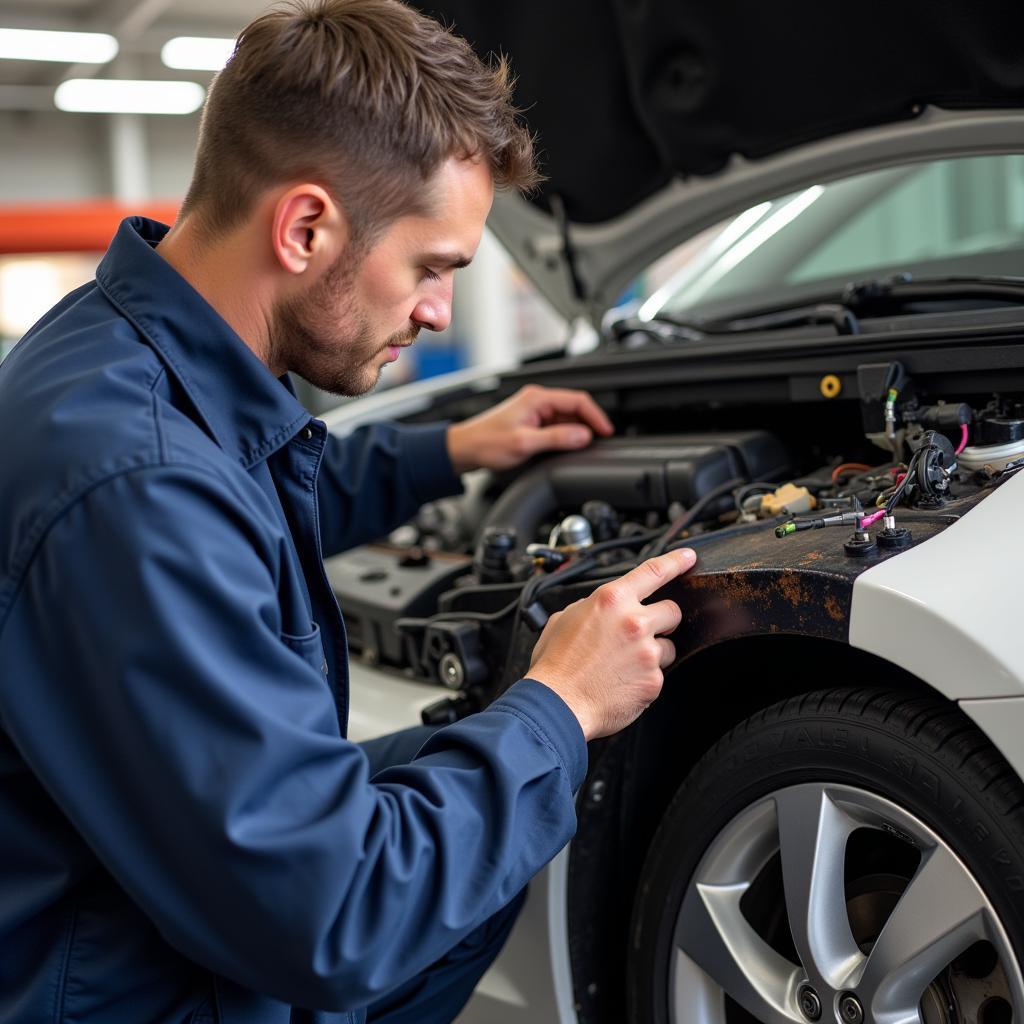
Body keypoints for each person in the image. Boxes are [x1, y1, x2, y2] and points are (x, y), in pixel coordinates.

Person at [0, 1, 696, 1021]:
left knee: (470, 758)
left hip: (120, 908)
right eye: (430, 267)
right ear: (306, 227)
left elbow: (253, 493)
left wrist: (453, 449)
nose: (437, 312)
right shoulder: (134, 483)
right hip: (127, 990)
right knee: (510, 766)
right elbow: (336, 912)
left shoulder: (124, 354)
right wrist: (561, 704)